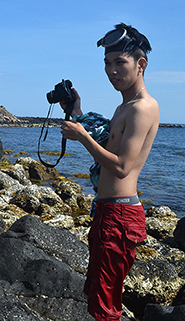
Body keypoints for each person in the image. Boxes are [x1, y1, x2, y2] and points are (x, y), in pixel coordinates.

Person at [60, 23, 159, 320]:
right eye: (107, 63)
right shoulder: (123, 107)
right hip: (107, 211)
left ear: (140, 64)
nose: (111, 71)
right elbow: (109, 142)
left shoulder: (142, 108)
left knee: (106, 304)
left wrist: (82, 137)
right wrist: (77, 111)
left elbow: (121, 166)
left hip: (120, 216)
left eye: (120, 63)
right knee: (99, 292)